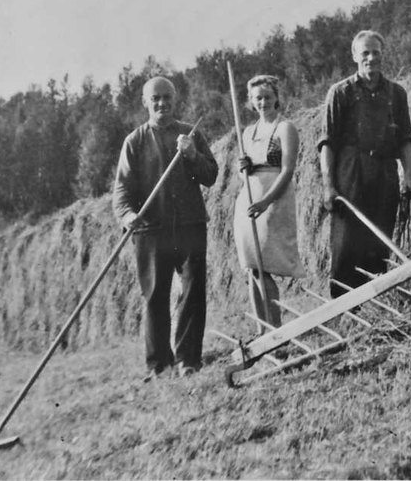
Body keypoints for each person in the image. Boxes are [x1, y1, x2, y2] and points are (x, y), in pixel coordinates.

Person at [113, 76, 218, 380]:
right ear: (145, 102)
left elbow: (210, 175)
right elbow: (121, 190)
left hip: (189, 225)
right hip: (150, 229)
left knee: (193, 293)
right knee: (155, 295)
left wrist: (192, 155)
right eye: (155, 98)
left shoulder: (190, 134)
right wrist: (127, 215)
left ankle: (188, 360)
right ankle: (159, 364)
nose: (162, 103)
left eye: (167, 98)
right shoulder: (134, 141)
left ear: (175, 100)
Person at [318, 31, 411, 299]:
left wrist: (408, 177)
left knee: (380, 239)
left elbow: (406, 140)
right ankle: (344, 307)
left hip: (385, 172)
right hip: (350, 172)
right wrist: (329, 185)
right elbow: (327, 143)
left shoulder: (396, 93)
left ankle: (376, 303)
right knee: (347, 242)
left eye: (376, 52)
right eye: (365, 53)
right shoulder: (340, 93)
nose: (371, 58)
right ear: (354, 57)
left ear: (383, 54)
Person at [234, 74, 302, 330]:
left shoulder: (285, 128)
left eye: (267, 98)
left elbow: (287, 170)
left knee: (265, 264)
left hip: (274, 198)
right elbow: (243, 172)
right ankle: (262, 329)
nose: (263, 103)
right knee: (251, 266)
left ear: (276, 99)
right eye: (257, 98)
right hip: (248, 199)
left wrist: (266, 201)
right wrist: (243, 168)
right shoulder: (249, 132)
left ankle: (275, 326)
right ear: (251, 102)